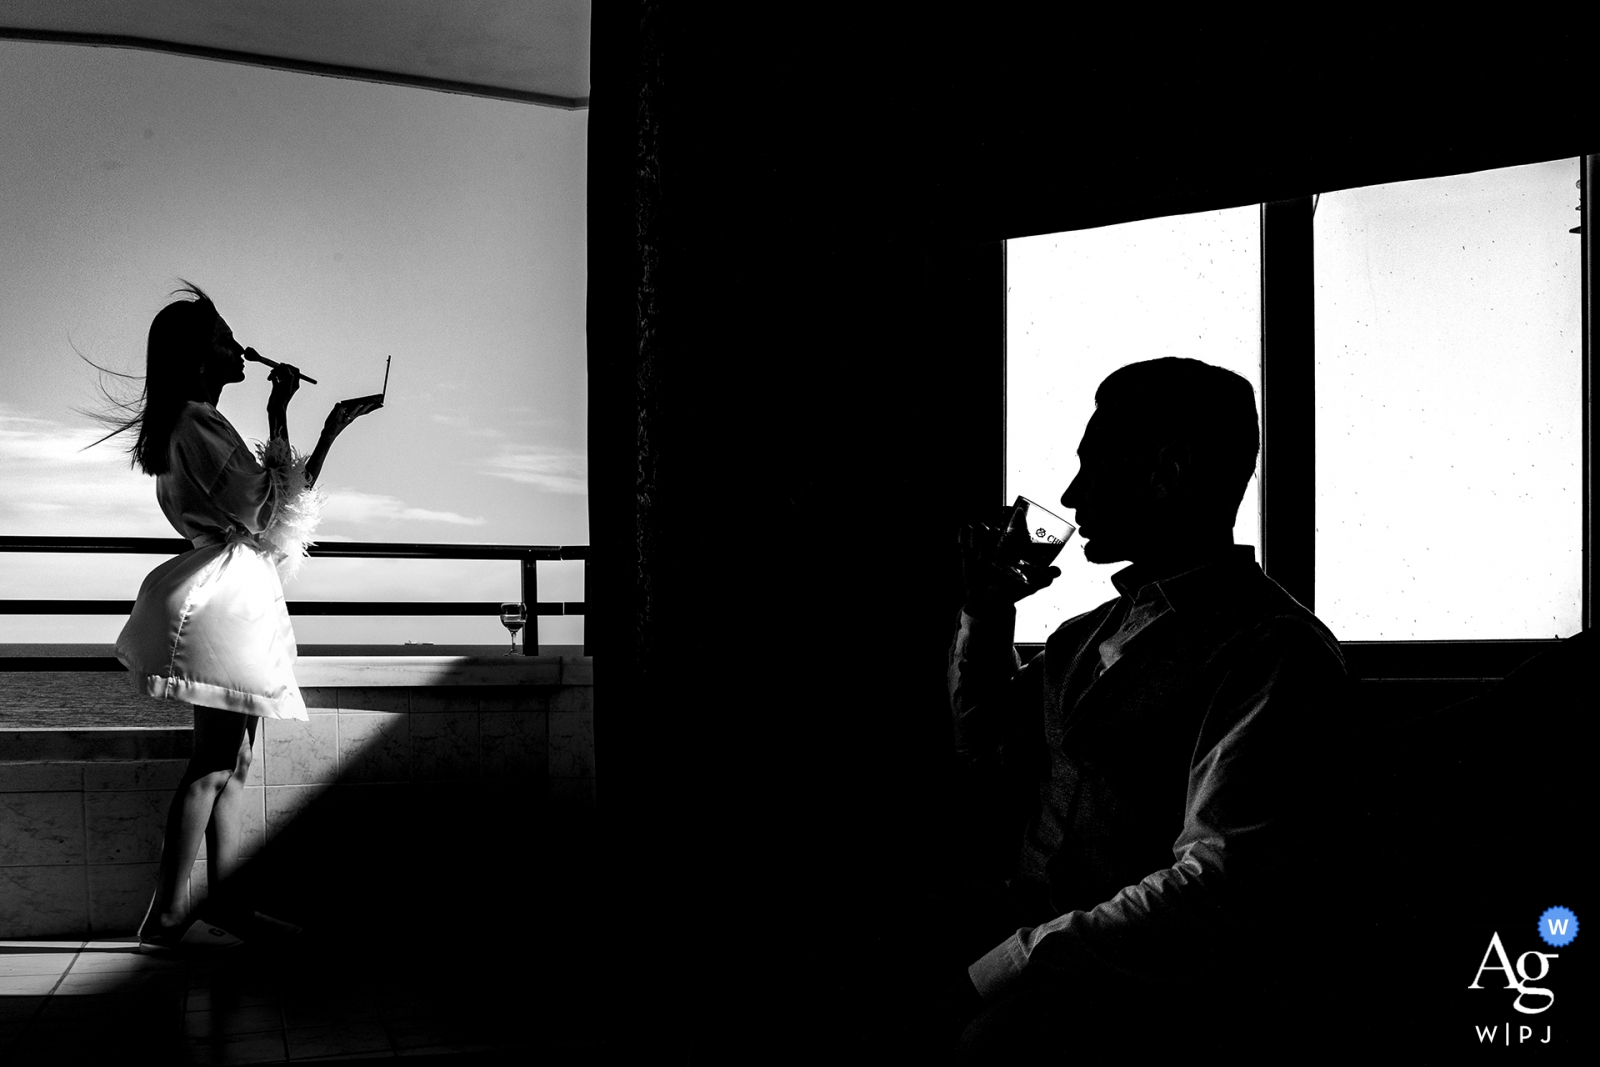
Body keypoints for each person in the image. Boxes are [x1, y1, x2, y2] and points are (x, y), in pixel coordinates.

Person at [938, 357, 1350, 1060]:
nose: (1071, 495)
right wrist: (985, 612)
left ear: (1169, 472)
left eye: (1093, 465)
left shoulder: (1273, 652)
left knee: (987, 1050)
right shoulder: (1086, 635)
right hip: (1034, 930)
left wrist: (1002, 966)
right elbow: (986, 749)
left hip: (1151, 985)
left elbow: (1217, 882)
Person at [87, 283, 381, 950]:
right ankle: (166, 917)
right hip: (226, 599)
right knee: (215, 761)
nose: (235, 344)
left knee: (234, 760)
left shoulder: (190, 422)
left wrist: (325, 430)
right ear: (198, 359)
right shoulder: (198, 422)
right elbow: (261, 510)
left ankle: (223, 904)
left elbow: (270, 506)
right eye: (223, 337)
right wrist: (280, 414)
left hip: (231, 593)